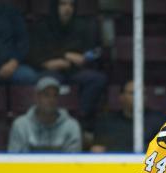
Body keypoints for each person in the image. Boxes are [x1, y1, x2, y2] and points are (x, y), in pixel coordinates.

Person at [28, 0, 107, 132]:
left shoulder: (82, 26)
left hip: (74, 71)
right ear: (55, 7)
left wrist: (83, 58)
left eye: (71, 5)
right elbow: (32, 54)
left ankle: (79, 118)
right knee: (48, 83)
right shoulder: (42, 26)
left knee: (97, 79)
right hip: (50, 70)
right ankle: (51, 122)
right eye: (63, 4)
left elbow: (93, 52)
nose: (67, 8)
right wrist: (48, 62)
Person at [7, 76, 82, 152]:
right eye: (46, 95)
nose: (51, 100)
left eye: (55, 95)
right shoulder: (20, 125)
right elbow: (13, 160)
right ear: (37, 97)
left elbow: (73, 161)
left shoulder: (71, 126)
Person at [91, 80, 166, 152]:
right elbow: (97, 150)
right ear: (121, 97)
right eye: (132, 93)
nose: (138, 97)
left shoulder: (158, 121)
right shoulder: (107, 122)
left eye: (142, 93)